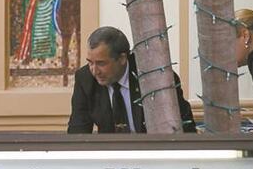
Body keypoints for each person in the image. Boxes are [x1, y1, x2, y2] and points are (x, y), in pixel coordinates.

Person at [67, 26, 196, 134]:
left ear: (122, 59)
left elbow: (185, 127)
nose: (94, 70)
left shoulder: (155, 76)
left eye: (101, 63)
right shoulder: (85, 79)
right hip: (110, 158)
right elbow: (78, 133)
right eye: (90, 63)